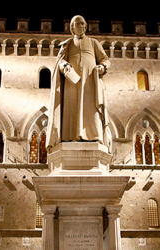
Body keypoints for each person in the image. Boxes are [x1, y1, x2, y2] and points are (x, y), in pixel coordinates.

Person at [46, 15, 112, 151]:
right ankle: (70, 136)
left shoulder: (93, 43)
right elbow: (60, 60)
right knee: (72, 107)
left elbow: (105, 59)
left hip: (90, 82)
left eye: (83, 24)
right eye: (78, 24)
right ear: (72, 28)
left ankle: (94, 136)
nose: (81, 26)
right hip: (72, 83)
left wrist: (103, 67)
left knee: (91, 108)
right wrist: (64, 66)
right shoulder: (68, 44)